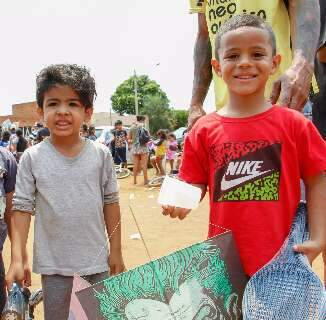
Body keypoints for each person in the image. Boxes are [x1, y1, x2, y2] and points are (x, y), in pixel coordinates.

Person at [163, 15, 326, 278]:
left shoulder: (294, 125)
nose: (245, 63)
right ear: (217, 66)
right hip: (224, 270)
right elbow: (194, 183)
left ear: (275, 63)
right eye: (233, 56)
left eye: (257, 53)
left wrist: (319, 238)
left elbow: (318, 179)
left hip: (282, 267)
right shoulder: (203, 131)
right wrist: (181, 201)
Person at [5, 64, 126, 319]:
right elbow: (22, 209)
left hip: (96, 264)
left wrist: (116, 250)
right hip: (54, 268)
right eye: (53, 104)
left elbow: (111, 204)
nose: (62, 111)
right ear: (41, 111)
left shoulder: (101, 155)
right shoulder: (32, 158)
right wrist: (18, 257)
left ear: (88, 112)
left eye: (72, 104)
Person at [188, 0, 320, 128]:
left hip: (285, 99)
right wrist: (196, 104)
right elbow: (204, 33)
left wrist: (302, 64)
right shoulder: (206, 133)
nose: (244, 63)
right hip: (228, 113)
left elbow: (303, 3)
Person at [128, 115, 149, 185]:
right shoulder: (143, 125)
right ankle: (146, 181)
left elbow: (129, 139)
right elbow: (148, 136)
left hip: (134, 148)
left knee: (135, 165)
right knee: (144, 165)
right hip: (143, 147)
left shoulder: (132, 126)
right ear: (143, 119)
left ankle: (134, 181)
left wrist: (134, 141)